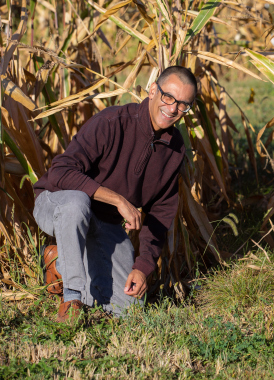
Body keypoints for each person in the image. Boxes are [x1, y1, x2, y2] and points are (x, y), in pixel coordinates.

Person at [33, 66, 196, 322]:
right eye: (168, 97)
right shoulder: (112, 122)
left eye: (183, 105)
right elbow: (60, 172)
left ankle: (61, 262)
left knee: (128, 310)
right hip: (57, 203)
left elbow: (161, 214)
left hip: (105, 223)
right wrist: (118, 199)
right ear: (153, 90)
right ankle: (71, 297)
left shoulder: (174, 151)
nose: (173, 108)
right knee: (78, 202)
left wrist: (142, 268)